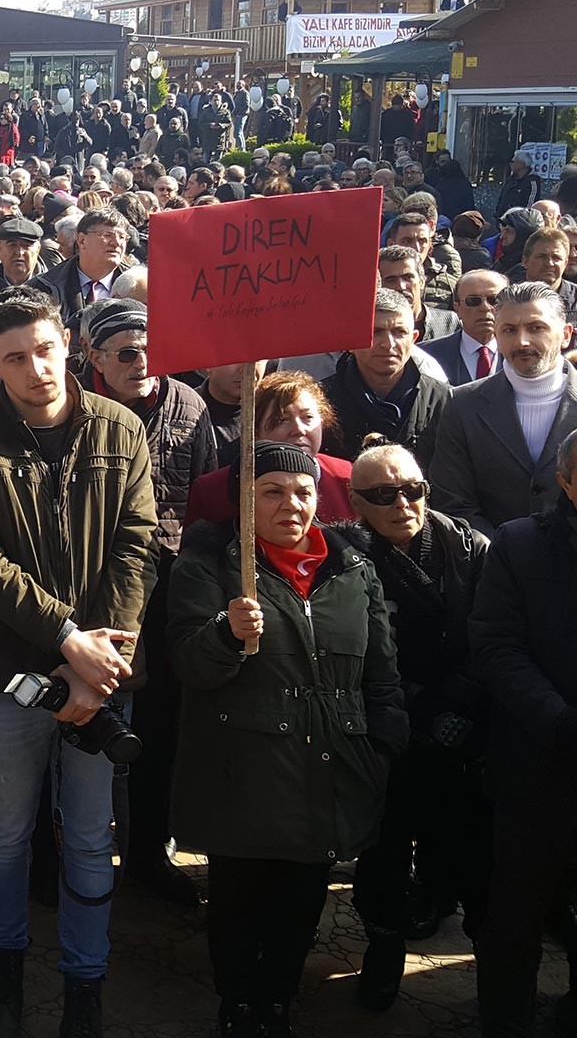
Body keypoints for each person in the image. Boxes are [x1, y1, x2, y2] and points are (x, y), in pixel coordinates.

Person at [0, 288, 158, 1038]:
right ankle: (4, 970)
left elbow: (135, 544)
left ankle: (84, 983)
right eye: (14, 358)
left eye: (44, 349)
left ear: (67, 342)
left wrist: (101, 657)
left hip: (102, 674)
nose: (36, 370)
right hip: (4, 677)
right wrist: (68, 639)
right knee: (4, 831)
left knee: (92, 836)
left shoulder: (120, 428)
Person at [166, 441, 404, 1038]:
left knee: (302, 902)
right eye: (271, 491)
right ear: (244, 502)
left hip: (329, 768)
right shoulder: (210, 566)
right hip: (241, 775)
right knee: (238, 902)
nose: (291, 504)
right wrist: (226, 632)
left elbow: (382, 674)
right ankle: (239, 1003)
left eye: (302, 492)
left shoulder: (353, 570)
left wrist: (381, 752)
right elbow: (189, 667)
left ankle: (278, 999)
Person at [339, 443, 489, 1011]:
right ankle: (383, 948)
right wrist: (409, 706)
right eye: (382, 495)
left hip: (463, 712)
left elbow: (495, 629)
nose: (401, 503)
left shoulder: (468, 545)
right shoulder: (347, 554)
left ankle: (477, 951)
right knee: (384, 844)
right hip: (389, 717)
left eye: (413, 490)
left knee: (467, 842)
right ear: (358, 503)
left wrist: (461, 700)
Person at [78, 298, 218, 904]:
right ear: (94, 358)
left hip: (164, 594)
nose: (143, 364)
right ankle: (70, 849)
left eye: (152, 352)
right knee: (80, 725)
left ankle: (147, 853)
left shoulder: (189, 405)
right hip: (85, 590)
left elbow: (205, 496)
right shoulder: (73, 410)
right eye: (128, 354)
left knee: (159, 729)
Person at [470, 427, 577, 1035]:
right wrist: (559, 721)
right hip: (538, 764)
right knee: (516, 915)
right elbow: (496, 646)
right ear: (563, 480)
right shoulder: (520, 545)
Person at [431, 281, 577, 535]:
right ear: (496, 335)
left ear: (565, 334)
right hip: (493, 564)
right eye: (509, 330)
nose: (522, 341)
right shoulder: (462, 404)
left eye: (536, 328)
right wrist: (503, 553)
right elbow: (454, 501)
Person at [185, 371, 358, 526]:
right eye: (282, 419)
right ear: (254, 430)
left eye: (308, 417)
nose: (299, 429)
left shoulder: (347, 476)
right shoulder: (213, 492)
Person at [317, 288, 451, 463]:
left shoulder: (444, 400)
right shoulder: (320, 402)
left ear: (414, 338)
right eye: (376, 332)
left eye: (399, 332)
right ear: (350, 340)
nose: (388, 344)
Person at [26, 208, 131, 332]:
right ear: (82, 240)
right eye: (107, 235)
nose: (117, 243)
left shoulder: (138, 286)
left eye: (122, 237)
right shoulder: (43, 287)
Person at [418, 269, 508, 385]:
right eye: (473, 301)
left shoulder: (522, 352)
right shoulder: (426, 355)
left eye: (494, 300)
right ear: (457, 308)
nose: (485, 307)